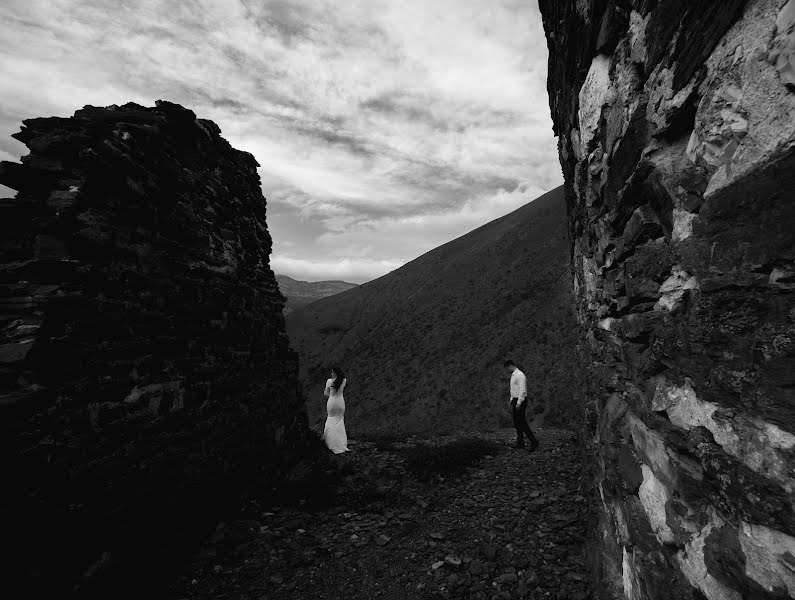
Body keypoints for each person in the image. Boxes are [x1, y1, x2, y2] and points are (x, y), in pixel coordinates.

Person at [504, 359, 538, 451]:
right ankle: (521, 443)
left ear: (510, 366)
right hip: (515, 399)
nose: (507, 371)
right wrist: (511, 401)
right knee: (517, 423)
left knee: (522, 422)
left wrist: (518, 403)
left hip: (521, 400)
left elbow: (522, 390)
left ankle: (534, 442)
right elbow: (514, 389)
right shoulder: (514, 375)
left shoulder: (520, 375)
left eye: (507, 369)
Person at [322, 366, 349, 454]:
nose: (331, 373)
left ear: (335, 373)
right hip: (341, 403)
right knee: (340, 422)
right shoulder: (344, 380)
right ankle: (341, 444)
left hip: (332, 402)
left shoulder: (329, 381)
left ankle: (331, 443)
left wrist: (331, 394)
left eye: (332, 372)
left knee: (331, 420)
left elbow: (325, 393)